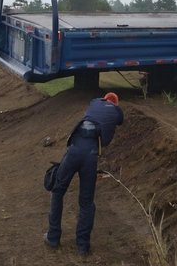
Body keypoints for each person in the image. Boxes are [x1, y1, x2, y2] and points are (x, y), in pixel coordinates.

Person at [44, 93, 124, 255]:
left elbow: (93, 104)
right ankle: (83, 245)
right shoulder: (117, 110)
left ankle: (53, 236)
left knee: (58, 191)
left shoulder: (95, 101)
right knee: (86, 201)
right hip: (91, 156)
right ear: (116, 103)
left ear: (103, 99)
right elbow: (120, 120)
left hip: (73, 151)